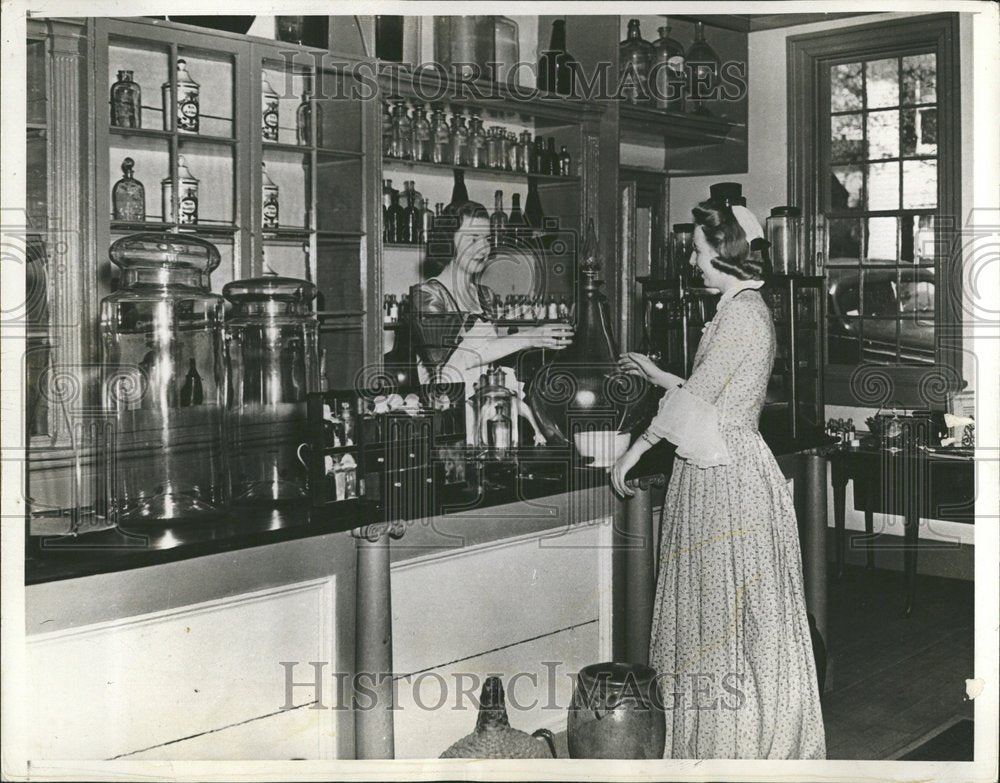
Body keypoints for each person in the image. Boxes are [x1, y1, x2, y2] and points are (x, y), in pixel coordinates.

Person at [610, 201, 826, 760]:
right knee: (729, 611)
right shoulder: (744, 307)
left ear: (722, 255)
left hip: (724, 478)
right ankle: (729, 740)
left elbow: (699, 402)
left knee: (721, 614)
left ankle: (729, 747)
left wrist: (632, 454)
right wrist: (660, 375)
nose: (692, 261)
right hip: (728, 466)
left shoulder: (739, 313)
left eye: (698, 252)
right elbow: (715, 390)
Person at [408, 200, 573, 385]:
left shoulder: (484, 295)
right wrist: (531, 337)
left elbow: (491, 353)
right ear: (448, 241)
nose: (483, 248)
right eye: (473, 238)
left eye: (487, 239)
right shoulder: (428, 295)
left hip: (485, 396)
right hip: (448, 405)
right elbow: (449, 366)